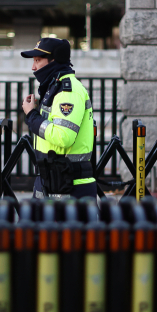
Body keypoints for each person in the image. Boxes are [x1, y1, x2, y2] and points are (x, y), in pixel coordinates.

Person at [21, 37, 96, 200]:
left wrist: (31, 115)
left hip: (70, 186)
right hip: (54, 181)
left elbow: (63, 136)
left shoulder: (67, 91)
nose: (33, 67)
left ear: (54, 60)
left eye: (38, 60)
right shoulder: (54, 88)